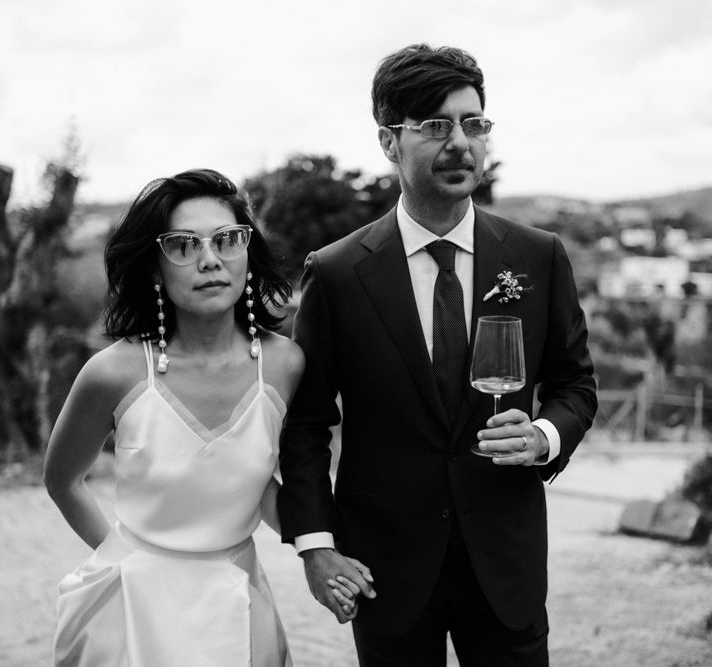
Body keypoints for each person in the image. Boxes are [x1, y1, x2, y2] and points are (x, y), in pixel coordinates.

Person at [278, 44, 598, 666]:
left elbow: (575, 386)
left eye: (473, 124)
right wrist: (316, 545)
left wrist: (543, 438)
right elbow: (307, 423)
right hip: (386, 568)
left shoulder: (538, 257)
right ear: (389, 141)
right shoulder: (339, 273)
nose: (461, 142)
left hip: (505, 563)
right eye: (434, 126)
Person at [43, 168, 363, 666]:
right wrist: (121, 560)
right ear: (154, 266)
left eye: (227, 240)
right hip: (131, 606)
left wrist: (321, 549)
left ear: (247, 253)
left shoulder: (285, 365)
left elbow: (251, 482)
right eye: (183, 245)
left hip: (238, 597)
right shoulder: (112, 373)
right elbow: (62, 479)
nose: (210, 260)